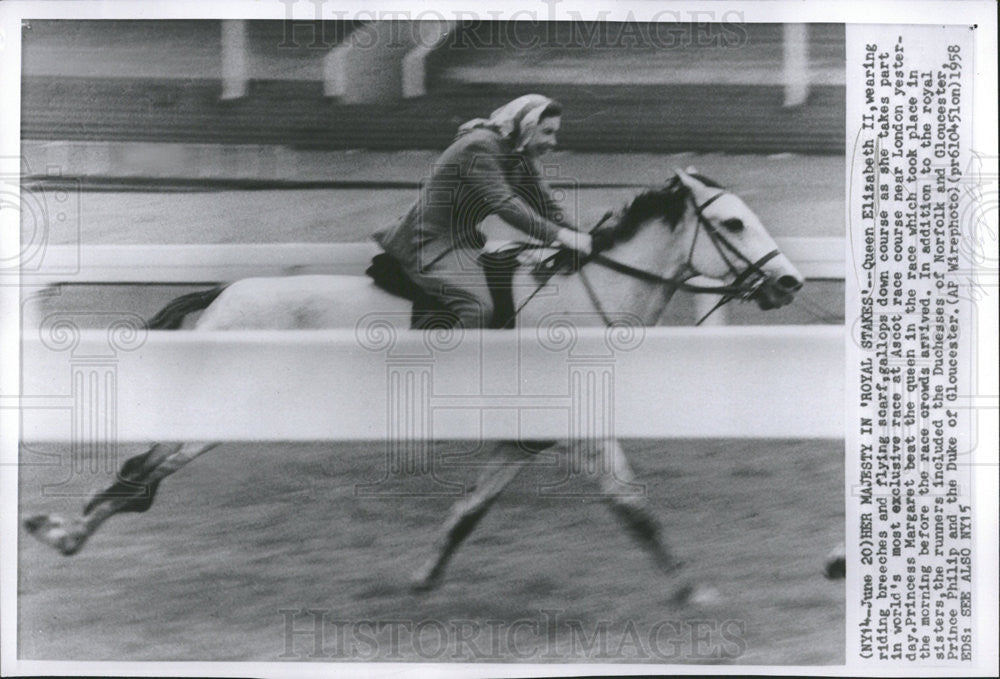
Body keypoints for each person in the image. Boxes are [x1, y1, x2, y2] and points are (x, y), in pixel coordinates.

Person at [372, 94, 592, 328]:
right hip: (426, 242)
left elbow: (546, 204)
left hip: (463, 241)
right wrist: (561, 235)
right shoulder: (479, 147)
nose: (553, 141)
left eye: (555, 133)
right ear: (527, 127)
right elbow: (505, 204)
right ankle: (444, 364)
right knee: (476, 308)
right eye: (547, 132)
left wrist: (584, 236)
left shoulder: (519, 153)